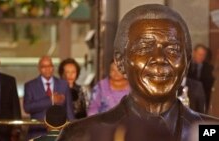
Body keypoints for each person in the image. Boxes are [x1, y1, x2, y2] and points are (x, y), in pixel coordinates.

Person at [57, 4, 219, 141]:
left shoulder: (209, 132)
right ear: (120, 62)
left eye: (173, 49)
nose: (159, 58)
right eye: (144, 48)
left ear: (187, 61)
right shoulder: (81, 135)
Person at [23, 56, 74, 139]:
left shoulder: (63, 84)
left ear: (53, 67)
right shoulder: (30, 85)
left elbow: (69, 112)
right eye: (44, 66)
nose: (47, 69)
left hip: (60, 134)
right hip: (37, 132)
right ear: (39, 68)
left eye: (50, 66)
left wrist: (73, 131)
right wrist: (51, 100)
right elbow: (27, 107)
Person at [187, 44, 215, 112]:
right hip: (189, 98)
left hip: (204, 100)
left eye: (203, 55)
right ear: (194, 53)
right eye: (199, 54)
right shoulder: (187, 66)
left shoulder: (209, 68)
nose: (201, 57)